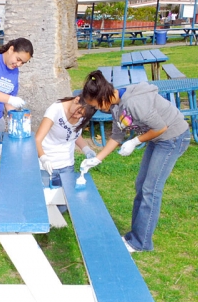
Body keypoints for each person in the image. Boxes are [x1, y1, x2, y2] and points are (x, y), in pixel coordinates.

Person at [79, 70, 191, 253]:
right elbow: (117, 136)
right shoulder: (115, 107)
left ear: (103, 96)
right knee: (141, 185)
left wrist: (135, 141)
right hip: (158, 139)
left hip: (173, 138)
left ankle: (141, 243)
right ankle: (134, 236)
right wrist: (97, 159)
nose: (99, 109)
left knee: (151, 189)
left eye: (97, 105)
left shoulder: (134, 103)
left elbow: (161, 127)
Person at [35, 95, 96, 194]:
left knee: (65, 201)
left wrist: (86, 150)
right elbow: (37, 140)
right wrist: (43, 159)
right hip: (46, 166)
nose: (78, 116)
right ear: (76, 100)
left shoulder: (81, 114)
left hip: (67, 166)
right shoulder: (55, 110)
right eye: (79, 112)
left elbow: (74, 134)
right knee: (44, 199)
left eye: (82, 116)